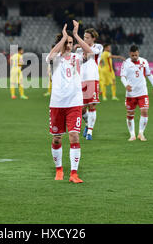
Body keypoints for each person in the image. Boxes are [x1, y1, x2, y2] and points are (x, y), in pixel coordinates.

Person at [46, 20, 93, 183]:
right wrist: (64, 37)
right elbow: (50, 55)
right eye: (67, 43)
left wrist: (75, 35)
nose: (69, 45)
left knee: (74, 136)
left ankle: (74, 173)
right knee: (57, 138)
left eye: (71, 43)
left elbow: (90, 52)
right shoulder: (55, 59)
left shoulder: (76, 57)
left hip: (74, 102)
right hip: (57, 103)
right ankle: (59, 170)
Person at [120, 45, 153, 141]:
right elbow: (122, 76)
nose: (134, 57)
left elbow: (149, 74)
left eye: (136, 55)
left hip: (142, 92)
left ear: (138, 53)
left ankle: (141, 133)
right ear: (130, 54)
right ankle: (132, 134)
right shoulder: (126, 63)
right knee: (130, 113)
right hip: (131, 93)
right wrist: (126, 85)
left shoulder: (144, 62)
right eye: (132, 55)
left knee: (144, 111)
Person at [75, 29, 103, 141]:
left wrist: (80, 45)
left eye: (87, 37)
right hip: (81, 80)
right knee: (81, 108)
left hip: (93, 78)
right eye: (84, 37)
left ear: (93, 38)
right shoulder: (78, 51)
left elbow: (91, 51)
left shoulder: (99, 47)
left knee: (92, 105)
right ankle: (87, 123)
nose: (85, 39)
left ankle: (90, 131)